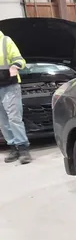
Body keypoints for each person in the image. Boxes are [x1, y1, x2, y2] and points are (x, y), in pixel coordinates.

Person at [0, 30, 31, 164]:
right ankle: (13, 148)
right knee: (3, 121)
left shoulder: (5, 41)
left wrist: (15, 66)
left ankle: (23, 148)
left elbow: (19, 59)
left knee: (14, 118)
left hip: (9, 86)